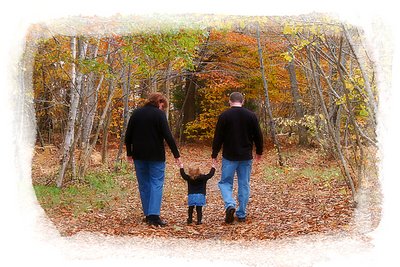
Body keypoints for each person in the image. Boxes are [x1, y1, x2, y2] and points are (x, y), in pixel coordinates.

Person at [125, 92, 181, 227]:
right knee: (156, 183)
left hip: (139, 155)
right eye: (163, 106)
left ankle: (147, 214)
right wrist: (176, 155)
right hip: (156, 155)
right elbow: (168, 136)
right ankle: (154, 216)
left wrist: (129, 153)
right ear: (159, 102)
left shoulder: (136, 113)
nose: (163, 109)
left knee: (144, 184)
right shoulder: (159, 115)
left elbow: (128, 135)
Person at [211, 92, 263, 224]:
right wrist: (259, 151)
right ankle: (241, 214)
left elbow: (218, 137)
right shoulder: (251, 116)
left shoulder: (224, 116)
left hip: (229, 156)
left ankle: (230, 204)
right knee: (244, 184)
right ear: (243, 101)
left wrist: (214, 154)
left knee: (225, 182)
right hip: (246, 156)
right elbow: (258, 135)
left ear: (230, 101)